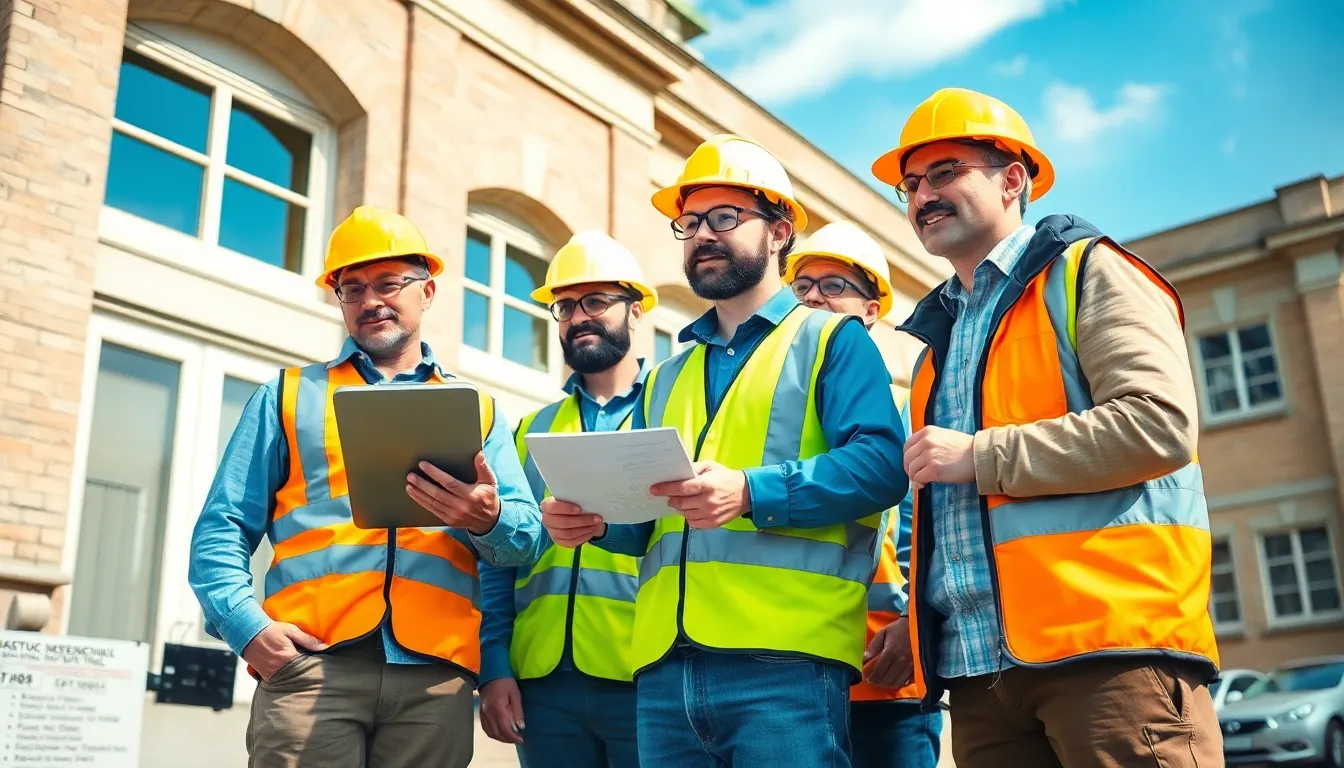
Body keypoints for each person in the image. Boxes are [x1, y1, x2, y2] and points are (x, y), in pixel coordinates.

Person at [870, 88, 1223, 767]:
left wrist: (981, 454)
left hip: (1110, 655)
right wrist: (921, 627)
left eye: (945, 173)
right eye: (910, 186)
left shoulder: (1090, 273)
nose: (922, 197)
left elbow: (1160, 424)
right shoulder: (936, 342)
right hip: (979, 674)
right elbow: (948, 517)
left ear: (1013, 179)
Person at [540, 133, 909, 767]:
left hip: (785, 663)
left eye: (725, 218)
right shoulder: (663, 376)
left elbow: (880, 467)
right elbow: (649, 524)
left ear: (780, 232)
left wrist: (748, 490)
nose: (702, 235)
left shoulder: (834, 340)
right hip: (661, 672)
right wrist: (594, 523)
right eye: (689, 224)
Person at [188, 205, 545, 768]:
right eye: (351, 288)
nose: (370, 300)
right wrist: (245, 627)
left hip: (436, 677)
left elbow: (526, 540)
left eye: (389, 283)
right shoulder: (287, 395)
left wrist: (488, 518)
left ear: (427, 293)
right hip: (311, 666)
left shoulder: (478, 410)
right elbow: (221, 528)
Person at [477, 231, 657, 768]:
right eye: (565, 306)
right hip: (543, 684)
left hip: (645, 673)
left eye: (596, 301)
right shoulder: (531, 430)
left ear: (635, 310)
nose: (578, 316)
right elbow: (498, 560)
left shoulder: (671, 413)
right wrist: (494, 663)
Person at [783, 222, 943, 768]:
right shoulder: (776, 410)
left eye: (832, 285)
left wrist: (914, 628)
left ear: (872, 310)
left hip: (882, 673)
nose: (811, 297)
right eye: (801, 286)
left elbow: (932, 531)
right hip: (790, 675)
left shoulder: (905, 411)